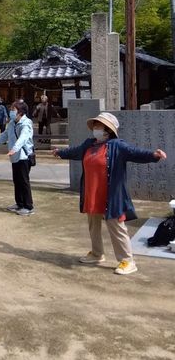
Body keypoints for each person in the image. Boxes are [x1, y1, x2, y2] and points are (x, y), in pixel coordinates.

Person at [53, 112, 167, 275]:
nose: (95, 128)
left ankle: (127, 261)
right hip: (92, 192)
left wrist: (153, 156)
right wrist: (60, 152)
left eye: (99, 126)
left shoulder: (118, 146)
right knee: (93, 225)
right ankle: (97, 254)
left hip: (111, 194)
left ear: (107, 129)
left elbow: (136, 153)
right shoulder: (89, 144)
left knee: (116, 226)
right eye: (95, 125)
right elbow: (75, 151)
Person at [0, 100, 35, 216]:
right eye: (11, 109)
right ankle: (19, 204)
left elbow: (23, 138)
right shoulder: (12, 123)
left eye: (13, 110)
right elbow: (3, 136)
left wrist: (14, 149)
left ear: (20, 112)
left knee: (24, 181)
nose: (11, 111)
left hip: (24, 156)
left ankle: (28, 206)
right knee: (17, 181)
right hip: (14, 156)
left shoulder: (26, 123)